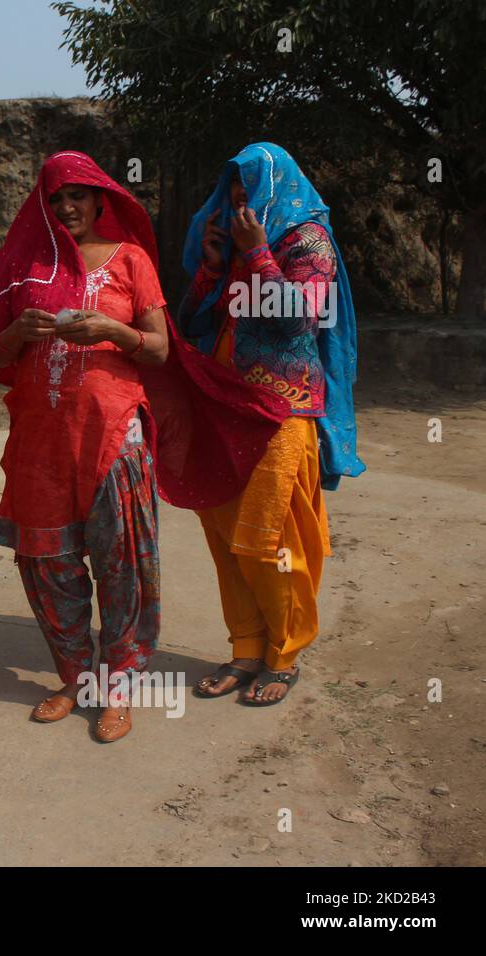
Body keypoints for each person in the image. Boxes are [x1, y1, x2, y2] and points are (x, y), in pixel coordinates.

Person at [0, 151, 287, 742]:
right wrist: (14, 332)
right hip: (40, 442)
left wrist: (112, 331)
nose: (66, 207)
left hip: (114, 431)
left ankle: (120, 686)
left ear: (100, 200)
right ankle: (75, 679)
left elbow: (157, 348)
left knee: (123, 562)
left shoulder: (131, 261)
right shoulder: (24, 266)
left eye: (77, 196)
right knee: (47, 564)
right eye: (55, 198)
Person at [180, 143, 363, 706]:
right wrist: (211, 269)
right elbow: (192, 326)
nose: (239, 196)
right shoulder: (229, 244)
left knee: (269, 539)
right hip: (221, 406)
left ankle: (284, 654)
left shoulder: (307, 242)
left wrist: (258, 254)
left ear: (276, 184)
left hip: (281, 412)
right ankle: (245, 648)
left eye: (250, 184)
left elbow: (297, 319)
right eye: (233, 185)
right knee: (225, 536)